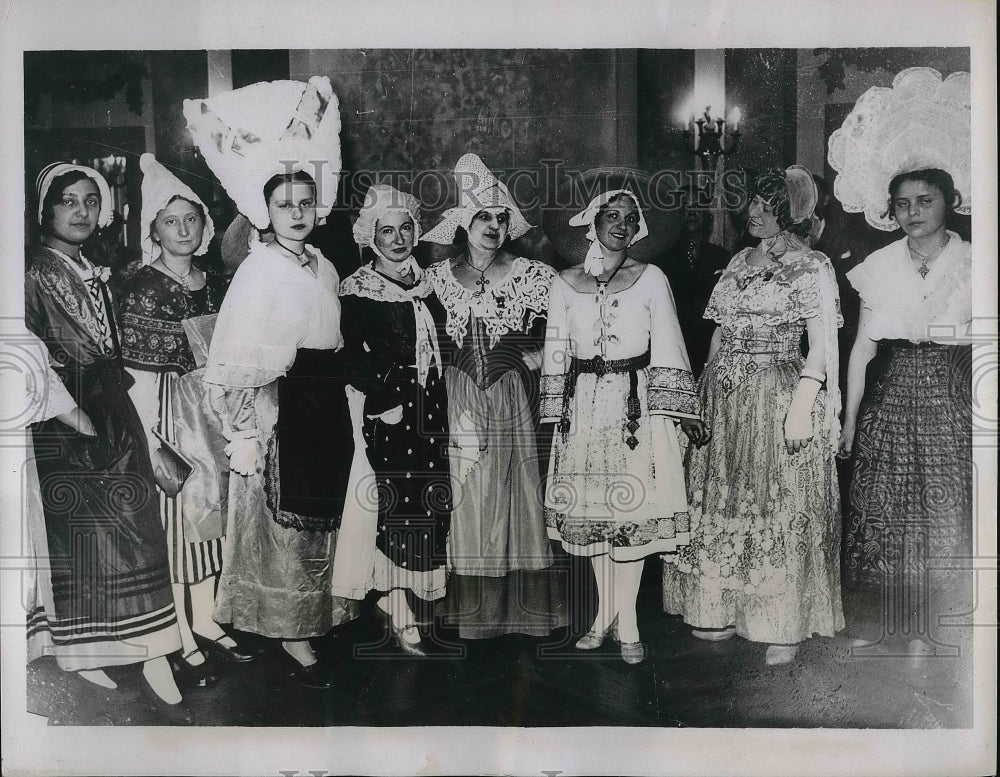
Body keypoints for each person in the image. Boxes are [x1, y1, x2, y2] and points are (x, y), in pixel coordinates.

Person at [187, 76, 359, 688]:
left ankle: (315, 616)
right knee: (282, 519)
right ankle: (286, 628)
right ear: (266, 210)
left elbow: (332, 340)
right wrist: (247, 429)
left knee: (324, 516)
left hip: (325, 400)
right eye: (284, 205)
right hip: (279, 402)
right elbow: (237, 353)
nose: (297, 214)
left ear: (318, 206)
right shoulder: (259, 268)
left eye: (305, 204)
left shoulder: (326, 264)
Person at [662, 166, 845, 666]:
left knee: (774, 499)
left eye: (768, 205)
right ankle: (718, 608)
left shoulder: (813, 267)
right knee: (723, 494)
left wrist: (803, 407)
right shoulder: (740, 260)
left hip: (776, 392)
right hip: (724, 391)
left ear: (792, 211)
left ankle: (780, 622)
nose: (755, 213)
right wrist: (701, 393)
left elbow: (822, 347)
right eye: (753, 204)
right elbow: (720, 332)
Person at [25, 163, 187, 715]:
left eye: (90, 202)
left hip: (110, 403)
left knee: (135, 530)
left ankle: (153, 650)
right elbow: (24, 350)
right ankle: (88, 651)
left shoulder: (93, 267)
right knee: (88, 540)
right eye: (67, 201)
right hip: (67, 416)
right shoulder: (32, 271)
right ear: (45, 210)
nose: (80, 212)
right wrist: (74, 415)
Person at [541, 184, 704, 665]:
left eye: (630, 217)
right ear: (592, 221)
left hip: (635, 408)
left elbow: (670, 343)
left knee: (629, 517)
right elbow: (555, 352)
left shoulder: (651, 277)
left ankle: (628, 623)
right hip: (582, 409)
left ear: (639, 229)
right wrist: (556, 415)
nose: (620, 223)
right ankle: (600, 619)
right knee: (594, 519)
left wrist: (682, 409)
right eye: (611, 214)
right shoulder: (565, 281)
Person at [118, 154, 254, 686]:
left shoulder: (217, 281)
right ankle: (176, 628)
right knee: (178, 523)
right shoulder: (141, 287)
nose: (182, 229)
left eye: (190, 219)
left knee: (213, 524)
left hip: (215, 411)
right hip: (171, 415)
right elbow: (137, 374)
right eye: (170, 221)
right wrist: (152, 434)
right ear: (154, 228)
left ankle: (206, 615)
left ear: (204, 225)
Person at [424, 153, 568, 639]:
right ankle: (473, 618)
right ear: (463, 222)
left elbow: (566, 331)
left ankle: (521, 614)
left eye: (500, 217)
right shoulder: (437, 278)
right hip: (458, 398)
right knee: (467, 498)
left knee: (516, 496)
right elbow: (422, 337)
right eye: (482, 216)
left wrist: (534, 354)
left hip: (511, 400)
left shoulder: (533, 274)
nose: (492, 225)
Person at [838, 169, 972, 656]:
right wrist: (850, 420)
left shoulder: (975, 262)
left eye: (924, 201)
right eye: (901, 204)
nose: (912, 213)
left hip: (951, 401)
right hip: (891, 400)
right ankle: (890, 625)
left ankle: (929, 628)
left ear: (950, 202)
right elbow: (861, 350)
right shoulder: (880, 263)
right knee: (885, 510)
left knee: (941, 512)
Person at [335, 184, 452, 656]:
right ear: (371, 237)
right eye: (388, 231)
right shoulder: (357, 288)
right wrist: (383, 397)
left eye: (406, 229)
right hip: (389, 408)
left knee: (423, 500)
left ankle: (401, 593)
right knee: (390, 501)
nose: (399, 238)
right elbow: (346, 355)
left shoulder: (427, 283)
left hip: (430, 405)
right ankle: (396, 602)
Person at [657, 186, 731, 377]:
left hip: (708, 350)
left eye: (697, 206)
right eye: (685, 206)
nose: (691, 212)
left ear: (707, 214)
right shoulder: (662, 257)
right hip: (672, 349)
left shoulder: (722, 257)